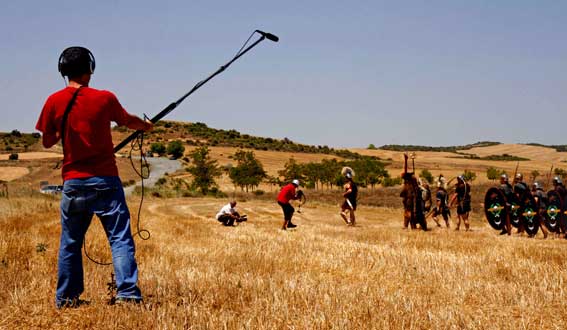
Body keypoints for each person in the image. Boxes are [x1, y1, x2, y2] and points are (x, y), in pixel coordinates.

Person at [35, 46, 153, 308]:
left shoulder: (53, 101)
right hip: (106, 181)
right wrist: (146, 126)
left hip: (74, 182)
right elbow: (127, 120)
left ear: (62, 71)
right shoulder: (104, 98)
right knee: (120, 238)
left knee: (70, 243)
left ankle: (66, 299)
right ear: (91, 68)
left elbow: (47, 141)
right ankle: (128, 295)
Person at [399, 154, 427, 230]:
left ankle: (407, 225)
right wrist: (406, 160)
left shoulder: (414, 186)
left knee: (411, 211)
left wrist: (406, 160)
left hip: (413, 201)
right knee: (407, 212)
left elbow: (404, 171)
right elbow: (404, 171)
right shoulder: (408, 183)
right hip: (409, 201)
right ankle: (407, 226)